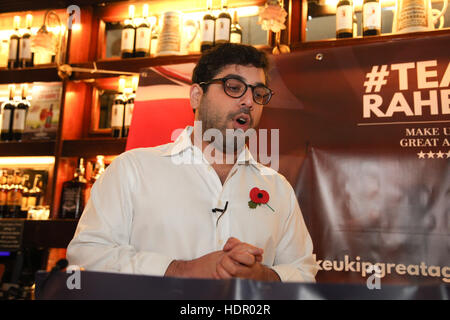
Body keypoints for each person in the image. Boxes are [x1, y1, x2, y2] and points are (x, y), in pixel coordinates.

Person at [67, 43, 318, 282]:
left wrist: (262, 276)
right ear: (197, 95)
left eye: (258, 92)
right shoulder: (132, 170)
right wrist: (180, 270)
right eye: (234, 87)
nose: (249, 102)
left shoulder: (278, 187)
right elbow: (86, 258)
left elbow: (304, 273)